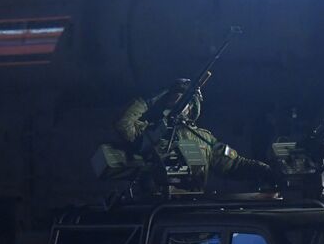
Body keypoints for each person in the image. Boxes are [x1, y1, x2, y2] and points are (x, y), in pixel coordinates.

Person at [114, 79, 273, 191]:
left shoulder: (204, 139)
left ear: (191, 108)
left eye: (182, 102)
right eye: (172, 100)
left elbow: (234, 165)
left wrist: (265, 170)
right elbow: (123, 124)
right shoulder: (152, 131)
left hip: (193, 213)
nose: (175, 104)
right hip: (160, 213)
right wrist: (154, 98)